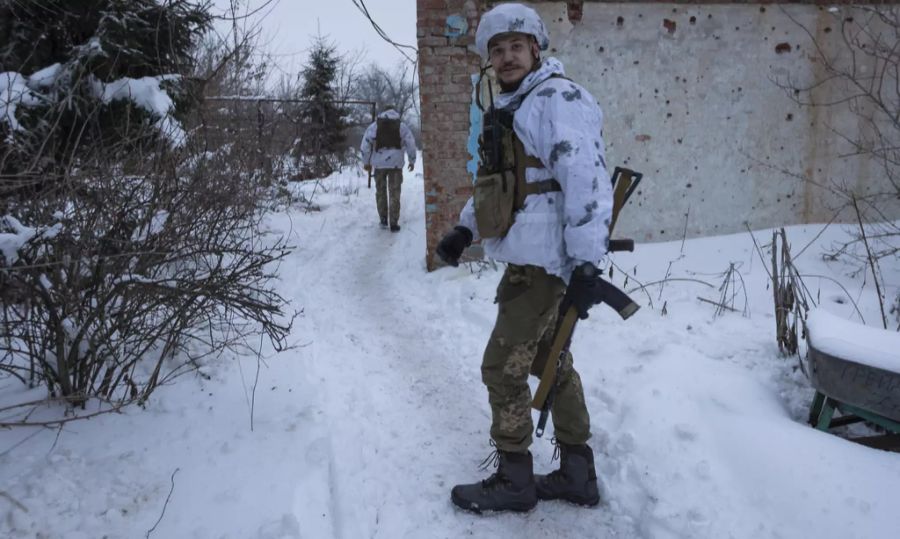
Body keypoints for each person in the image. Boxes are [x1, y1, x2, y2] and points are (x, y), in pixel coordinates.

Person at [435, 3, 613, 513]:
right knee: (547, 359)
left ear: (536, 49)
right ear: (489, 59)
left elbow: (587, 182)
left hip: (545, 265)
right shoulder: (517, 104)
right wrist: (463, 230)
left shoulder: (555, 99)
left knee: (501, 369)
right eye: (497, 49)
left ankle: (515, 480)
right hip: (532, 260)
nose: (507, 56)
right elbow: (507, 187)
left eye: (516, 46)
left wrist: (585, 262)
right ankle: (578, 473)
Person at [360, 106, 417, 232]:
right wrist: (412, 160)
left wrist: (366, 162)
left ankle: (383, 219)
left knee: (380, 192)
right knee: (394, 192)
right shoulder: (401, 126)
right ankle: (394, 223)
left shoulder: (375, 126)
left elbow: (366, 143)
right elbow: (410, 143)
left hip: (379, 163)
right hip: (396, 163)